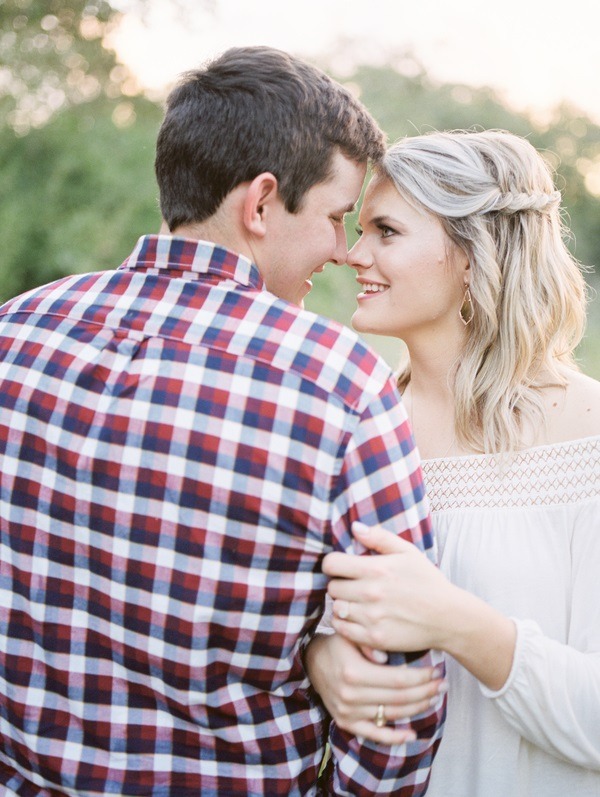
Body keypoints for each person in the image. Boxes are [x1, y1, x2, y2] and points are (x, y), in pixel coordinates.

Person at [0, 46, 446, 797]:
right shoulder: (337, 384)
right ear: (261, 203)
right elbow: (395, 696)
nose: (342, 251)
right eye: (337, 217)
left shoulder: (15, 333)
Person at [305, 128, 600, 796]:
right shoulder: (357, 429)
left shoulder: (591, 434)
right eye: (358, 229)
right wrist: (322, 662)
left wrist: (457, 622)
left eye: (385, 231)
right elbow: (312, 625)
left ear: (473, 254)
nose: (353, 253)